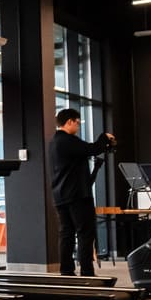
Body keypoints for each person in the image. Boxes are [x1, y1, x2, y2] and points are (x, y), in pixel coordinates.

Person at [48, 108, 115, 277]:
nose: (78, 126)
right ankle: (86, 271)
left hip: (60, 195)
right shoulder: (68, 140)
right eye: (77, 123)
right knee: (85, 232)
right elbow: (92, 149)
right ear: (69, 121)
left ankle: (66, 270)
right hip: (77, 195)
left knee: (66, 233)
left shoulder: (54, 142)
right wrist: (104, 137)